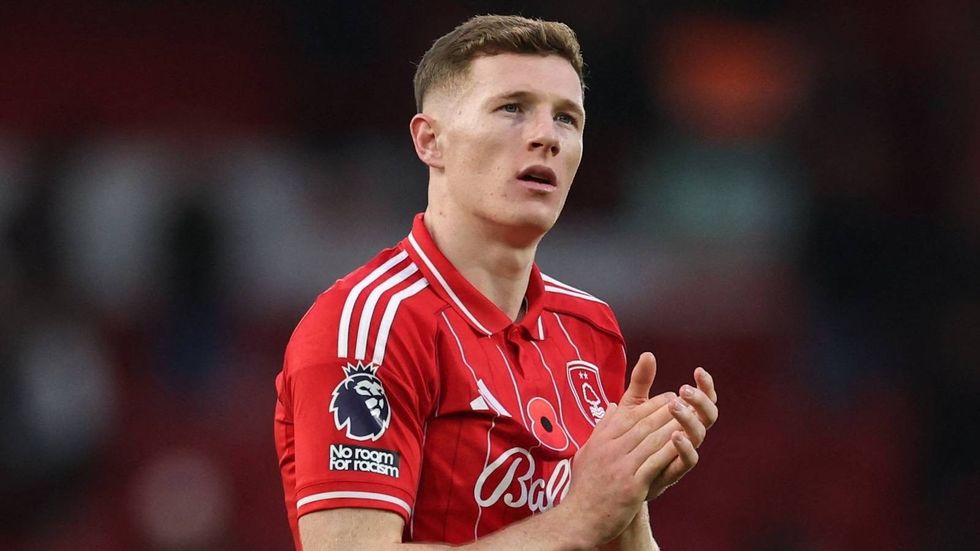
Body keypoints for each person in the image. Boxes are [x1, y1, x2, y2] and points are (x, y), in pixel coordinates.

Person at [274, 14, 719, 551]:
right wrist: (577, 520)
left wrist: (628, 498)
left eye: (566, 118)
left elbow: (602, 526)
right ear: (430, 141)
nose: (546, 137)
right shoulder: (371, 324)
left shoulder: (590, 327)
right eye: (512, 108)